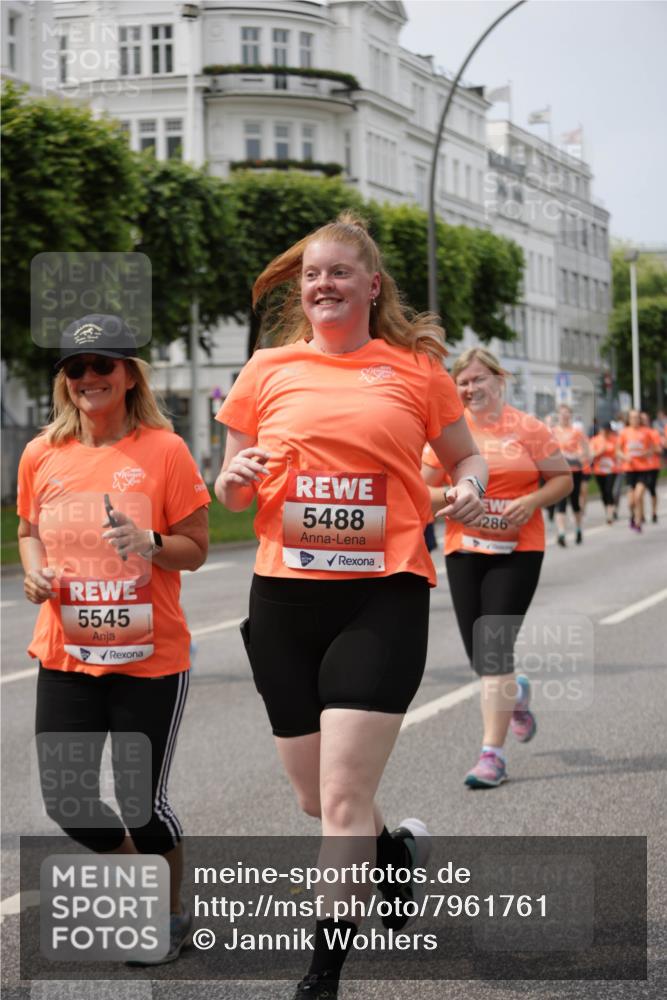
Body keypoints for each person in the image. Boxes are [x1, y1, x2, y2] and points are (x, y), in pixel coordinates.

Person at [214, 213, 486, 999]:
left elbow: (463, 454)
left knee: (340, 796)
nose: (322, 284)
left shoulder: (412, 369)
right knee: (314, 797)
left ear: (372, 286)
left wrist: (466, 487)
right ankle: (393, 854)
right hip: (284, 600)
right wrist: (238, 479)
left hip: (383, 595)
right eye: (311, 275)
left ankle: (320, 976)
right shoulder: (267, 369)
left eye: (338, 273)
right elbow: (227, 484)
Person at [17, 314, 209, 965]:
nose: (89, 378)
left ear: (129, 375)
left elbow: (196, 550)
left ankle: (170, 914)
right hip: (66, 652)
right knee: (70, 800)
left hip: (148, 659)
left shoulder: (165, 450)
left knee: (140, 804)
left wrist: (151, 544)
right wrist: (32, 569)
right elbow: (27, 528)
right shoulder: (42, 452)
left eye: (103, 366)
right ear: (64, 381)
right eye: (76, 368)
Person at [422, 348, 572, 789]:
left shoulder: (528, 428)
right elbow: (420, 488)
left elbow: (562, 480)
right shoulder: (450, 433)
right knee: (480, 656)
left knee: (494, 649)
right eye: (462, 383)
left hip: (519, 549)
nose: (470, 389)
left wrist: (531, 501)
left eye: (477, 380)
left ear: (498, 379)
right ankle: (517, 693)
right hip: (463, 548)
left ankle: (492, 755)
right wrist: (452, 499)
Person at [552, 404, 591, 546]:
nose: (564, 416)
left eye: (567, 413)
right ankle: (561, 533)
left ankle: (578, 528)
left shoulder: (577, 432)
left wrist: (575, 455)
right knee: (560, 502)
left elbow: (585, 451)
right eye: (562, 413)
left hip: (574, 471)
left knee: (575, 501)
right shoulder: (553, 432)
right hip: (559, 472)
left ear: (570, 415)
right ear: (558, 415)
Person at [617, 409, 653, 532]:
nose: (635, 419)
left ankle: (638, 522)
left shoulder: (646, 432)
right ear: (629, 419)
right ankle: (633, 516)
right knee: (631, 502)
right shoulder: (624, 433)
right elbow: (618, 451)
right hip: (629, 469)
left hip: (643, 469)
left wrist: (646, 453)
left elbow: (653, 449)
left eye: (637, 417)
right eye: (632, 417)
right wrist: (624, 457)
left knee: (638, 496)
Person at [589, 422, 619, 524]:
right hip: (599, 470)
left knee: (608, 490)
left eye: (607, 431)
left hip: (612, 469)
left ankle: (610, 515)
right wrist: (599, 452)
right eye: (603, 430)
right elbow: (591, 454)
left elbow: (618, 452)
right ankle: (608, 508)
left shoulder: (614, 440)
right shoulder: (595, 440)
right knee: (603, 492)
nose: (605, 433)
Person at [641, 411, 662, 523]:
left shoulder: (654, 433)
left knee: (651, 489)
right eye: (641, 419)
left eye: (644, 419)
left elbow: (659, 449)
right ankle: (642, 513)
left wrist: (650, 451)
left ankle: (654, 512)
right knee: (641, 490)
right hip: (640, 467)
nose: (643, 421)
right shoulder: (635, 433)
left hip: (653, 465)